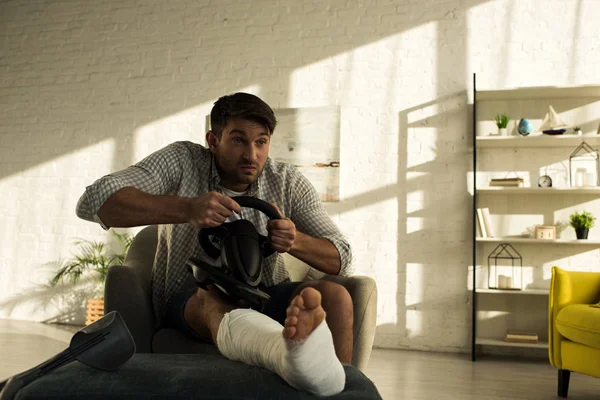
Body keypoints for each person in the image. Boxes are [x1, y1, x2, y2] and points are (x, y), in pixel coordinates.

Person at [75, 92, 354, 396]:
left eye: (261, 142)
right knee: (213, 299)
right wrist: (186, 209)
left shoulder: (286, 181)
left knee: (336, 296)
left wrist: (294, 240)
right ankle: (280, 353)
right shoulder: (182, 161)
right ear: (213, 140)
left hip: (265, 293)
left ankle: (338, 391)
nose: (251, 155)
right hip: (189, 298)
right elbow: (94, 200)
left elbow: (342, 257)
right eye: (238, 140)